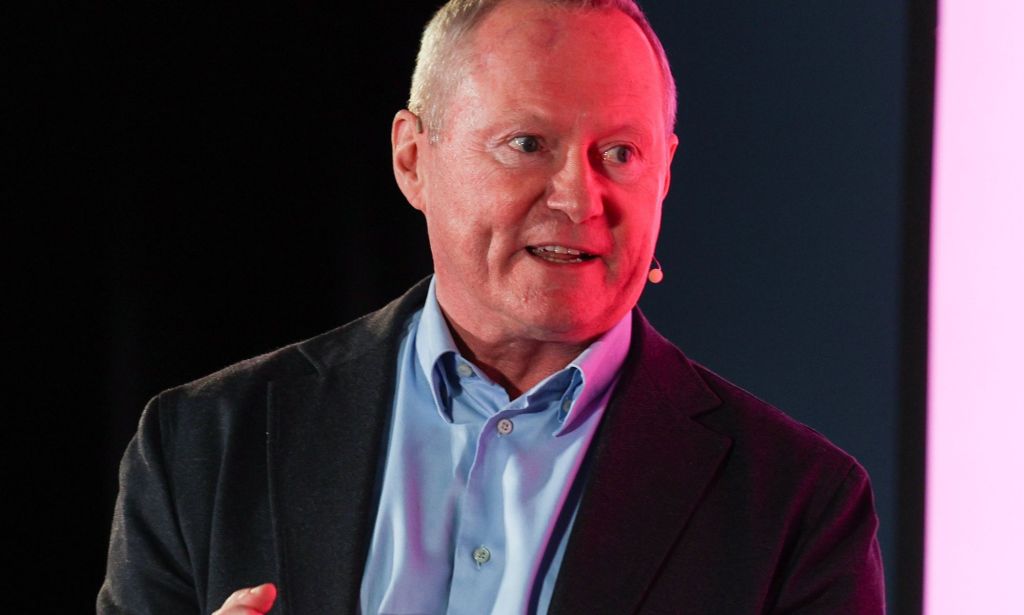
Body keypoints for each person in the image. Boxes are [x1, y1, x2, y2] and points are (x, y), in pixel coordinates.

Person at [98, 0, 885, 613]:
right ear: (413, 158)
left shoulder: (799, 507)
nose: (579, 198)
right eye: (528, 144)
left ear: (666, 174)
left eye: (620, 153)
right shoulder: (204, 444)